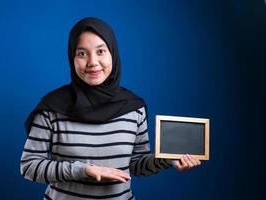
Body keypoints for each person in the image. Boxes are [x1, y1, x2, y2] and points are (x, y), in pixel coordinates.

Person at [20, 17, 201, 200]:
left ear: (112, 53)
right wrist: (83, 170)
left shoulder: (133, 108)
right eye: (82, 53)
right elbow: (29, 166)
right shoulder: (52, 109)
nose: (92, 62)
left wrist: (167, 159)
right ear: (72, 58)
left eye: (101, 51)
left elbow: (137, 164)